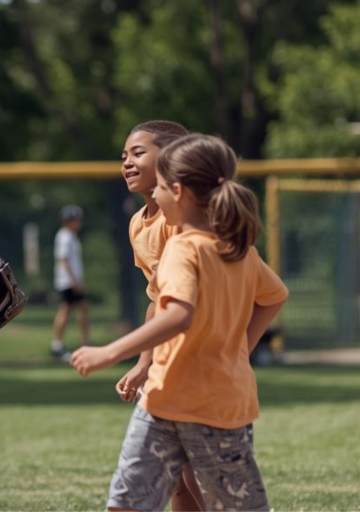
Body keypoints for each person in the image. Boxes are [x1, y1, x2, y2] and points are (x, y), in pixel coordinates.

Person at [70, 134, 289, 512]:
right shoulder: (238, 247)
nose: (154, 196)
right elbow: (275, 296)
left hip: (190, 404)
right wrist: (241, 349)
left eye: (159, 187)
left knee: (128, 504)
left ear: (178, 191)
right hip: (171, 401)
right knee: (129, 502)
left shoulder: (183, 248)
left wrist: (110, 352)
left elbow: (177, 314)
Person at [116, 120, 204, 510]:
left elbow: (185, 301)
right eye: (123, 156)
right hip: (165, 358)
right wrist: (143, 364)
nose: (127, 163)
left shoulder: (180, 221)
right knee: (174, 473)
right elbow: (157, 299)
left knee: (191, 467)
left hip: (195, 355)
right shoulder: (139, 224)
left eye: (138, 153)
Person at [51, 205, 88, 358]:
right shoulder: (65, 236)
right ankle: (59, 344)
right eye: (76, 220)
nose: (79, 222)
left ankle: (81, 342)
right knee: (68, 310)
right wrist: (75, 281)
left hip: (69, 281)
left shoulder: (71, 236)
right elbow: (63, 260)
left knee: (77, 308)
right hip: (67, 282)